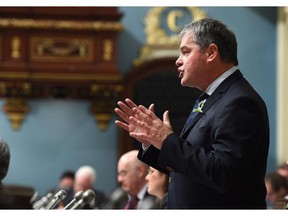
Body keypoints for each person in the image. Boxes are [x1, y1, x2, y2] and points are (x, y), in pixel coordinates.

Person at [114, 17, 270, 209]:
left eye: (185, 52)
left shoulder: (239, 101)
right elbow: (190, 168)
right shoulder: (209, 98)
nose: (178, 61)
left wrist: (167, 140)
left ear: (211, 52)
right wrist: (154, 143)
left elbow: (223, 173)